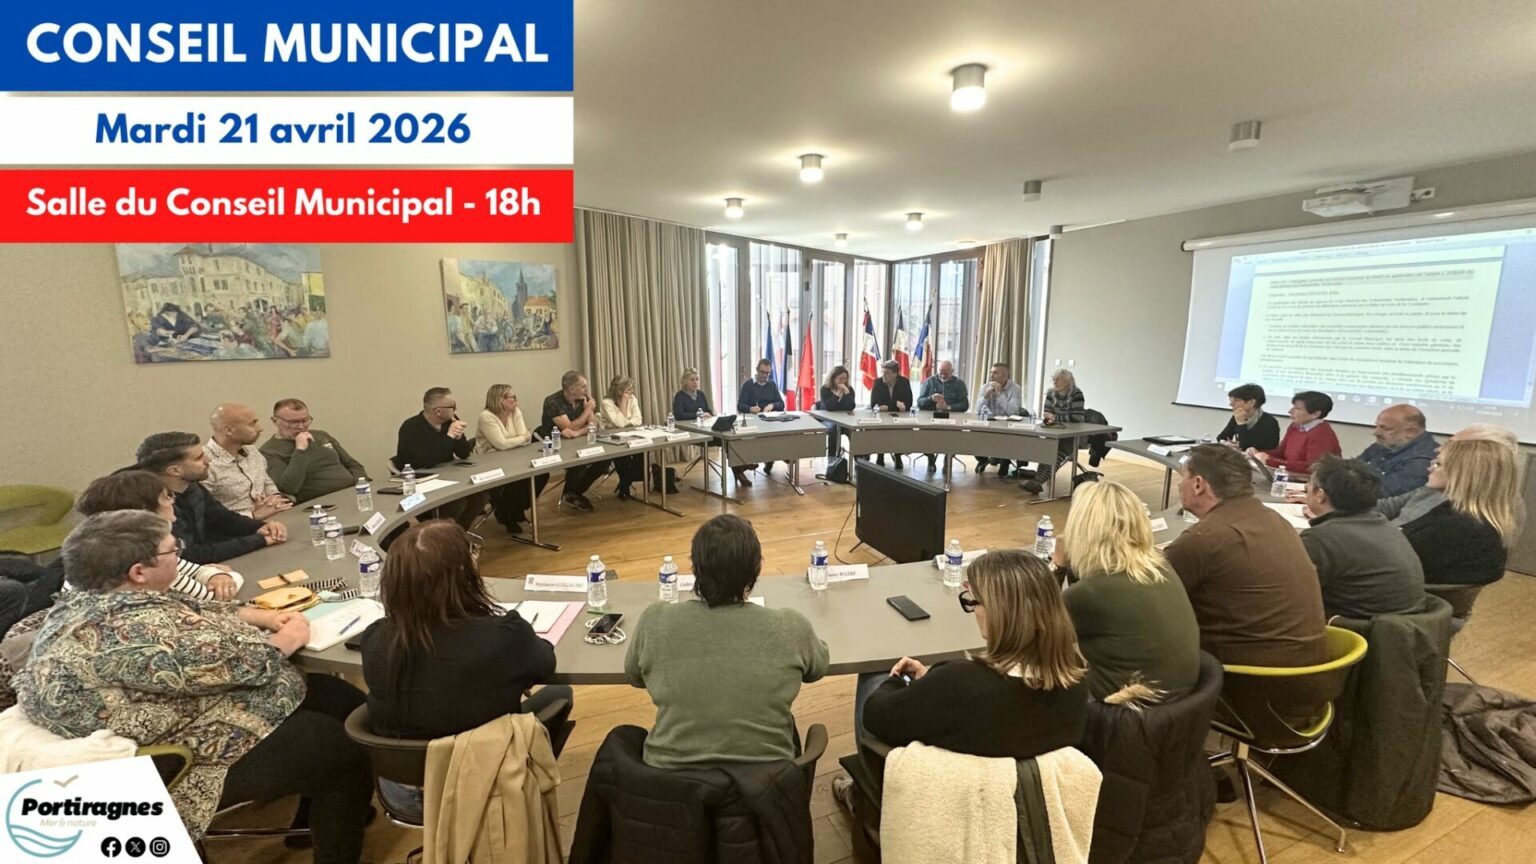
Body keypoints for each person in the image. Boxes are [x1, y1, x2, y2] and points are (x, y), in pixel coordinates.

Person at [14, 511, 373, 858]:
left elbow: (190, 607)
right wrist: (287, 639)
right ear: (138, 572)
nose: (179, 555)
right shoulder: (140, 632)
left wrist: (257, 615)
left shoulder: (88, 601)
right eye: (173, 550)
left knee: (338, 697)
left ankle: (321, 817)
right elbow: (249, 663)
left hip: (171, 717)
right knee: (338, 748)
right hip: (167, 761)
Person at [624, 514, 828, 768]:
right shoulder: (791, 626)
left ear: (695, 568)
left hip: (671, 783)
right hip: (765, 783)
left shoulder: (655, 620)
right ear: (756, 570)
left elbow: (634, 676)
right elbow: (818, 668)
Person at [359, 522, 574, 754]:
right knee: (559, 693)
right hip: (487, 770)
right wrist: (513, 676)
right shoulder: (505, 636)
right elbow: (545, 663)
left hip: (400, 773)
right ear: (463, 573)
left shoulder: (374, 640)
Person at [858, 550, 1088, 757]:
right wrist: (931, 684)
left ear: (998, 613)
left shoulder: (958, 682)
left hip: (946, 786)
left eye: (974, 602)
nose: (973, 611)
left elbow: (876, 716)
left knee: (874, 673)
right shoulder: (1076, 681)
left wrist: (897, 682)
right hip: (1030, 788)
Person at [1164, 444, 1327, 668]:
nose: (1179, 485)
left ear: (1198, 484)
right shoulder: (1275, 520)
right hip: (1310, 669)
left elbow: (1148, 597)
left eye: (1183, 477)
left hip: (1246, 676)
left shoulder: (1206, 538)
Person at [1058, 481, 1201, 703]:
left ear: (1080, 530)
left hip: (1124, 710)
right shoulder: (1160, 566)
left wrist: (1058, 566)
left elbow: (1029, 632)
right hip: (1180, 703)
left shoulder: (1091, 593)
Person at [76, 470, 243, 601]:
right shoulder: (146, 558)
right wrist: (228, 575)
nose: (173, 501)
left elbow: (195, 570)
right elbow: (213, 599)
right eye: (166, 497)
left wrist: (215, 574)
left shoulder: (118, 545)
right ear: (145, 512)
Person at [1298, 456, 1425, 618]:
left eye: (1309, 485)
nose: (1306, 489)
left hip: (1353, 627)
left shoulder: (1320, 538)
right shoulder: (1384, 526)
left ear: (1320, 495)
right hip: (1404, 626)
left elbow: (1290, 590)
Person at [136, 431, 286, 564]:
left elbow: (223, 518)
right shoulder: (156, 506)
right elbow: (192, 555)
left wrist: (260, 527)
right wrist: (259, 540)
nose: (208, 460)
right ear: (175, 470)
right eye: (199, 458)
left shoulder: (191, 485)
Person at [1397, 439, 1519, 586]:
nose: (1430, 468)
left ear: (1463, 474)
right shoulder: (1468, 517)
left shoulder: (1458, 527)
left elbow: (1393, 561)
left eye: (1438, 464)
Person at [392, 387, 486, 530]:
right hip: (422, 480)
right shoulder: (411, 428)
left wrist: (459, 437)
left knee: (481, 496)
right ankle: (441, 534)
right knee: (457, 503)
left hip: (448, 476)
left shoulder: (450, 422)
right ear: (438, 411)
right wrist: (449, 436)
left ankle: (459, 532)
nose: (455, 409)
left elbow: (464, 453)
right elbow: (426, 461)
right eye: (452, 406)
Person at [261, 398, 370, 504]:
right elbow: (289, 488)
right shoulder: (269, 451)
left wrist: (360, 486)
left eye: (305, 420)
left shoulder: (321, 436)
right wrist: (300, 450)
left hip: (353, 492)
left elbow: (353, 465)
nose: (301, 427)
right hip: (319, 503)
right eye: (293, 422)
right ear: (275, 421)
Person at [536, 371, 614, 512]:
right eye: (583, 386)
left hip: (578, 441)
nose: (586, 390)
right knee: (578, 463)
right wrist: (588, 410)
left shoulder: (583, 399)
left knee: (604, 461)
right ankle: (572, 493)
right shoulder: (553, 402)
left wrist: (578, 432)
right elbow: (569, 427)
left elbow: (593, 425)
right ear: (572, 389)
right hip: (555, 444)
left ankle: (574, 491)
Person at [203, 403, 292, 519]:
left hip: (272, 519)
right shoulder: (204, 463)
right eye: (252, 424)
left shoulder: (251, 451)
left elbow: (267, 483)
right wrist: (253, 515)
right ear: (228, 430)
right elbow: (204, 514)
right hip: (236, 526)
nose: (259, 429)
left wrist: (274, 499)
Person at [475, 384, 543, 534]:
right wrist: (522, 438)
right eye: (512, 397)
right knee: (515, 481)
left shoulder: (515, 412)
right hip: (489, 462)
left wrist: (520, 439)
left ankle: (517, 508)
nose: (516, 400)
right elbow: (502, 444)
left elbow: (525, 440)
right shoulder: (486, 417)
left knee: (541, 474)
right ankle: (506, 515)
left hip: (514, 457)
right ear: (500, 400)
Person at [1020, 368, 1086, 495]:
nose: (1054, 382)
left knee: (1057, 453)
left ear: (1067, 381)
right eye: (1053, 379)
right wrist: (1054, 418)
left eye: (1058, 379)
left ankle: (1038, 482)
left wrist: (1055, 417)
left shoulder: (1076, 394)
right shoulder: (1051, 393)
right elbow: (1046, 415)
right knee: (1047, 451)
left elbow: (1077, 418)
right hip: (1054, 431)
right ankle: (1037, 482)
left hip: (1071, 435)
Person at [1253, 391, 1341, 476]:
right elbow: (1281, 453)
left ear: (1315, 414)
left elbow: (1311, 468)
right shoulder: (1295, 426)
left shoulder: (1321, 434)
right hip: (1292, 477)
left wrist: (1270, 461)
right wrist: (1257, 453)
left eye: (1297, 409)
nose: (1290, 411)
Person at [1358, 405, 1437, 497]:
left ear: (1411, 432)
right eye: (1377, 426)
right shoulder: (1383, 444)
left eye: (1385, 428)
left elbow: (1380, 494)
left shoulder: (1422, 462)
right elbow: (1350, 470)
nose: (1376, 433)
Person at [736, 358, 786, 479]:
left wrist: (772, 405)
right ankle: (752, 461)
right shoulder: (748, 385)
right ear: (757, 370)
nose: (764, 375)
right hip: (753, 421)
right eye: (762, 372)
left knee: (779, 435)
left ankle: (773, 458)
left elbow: (781, 404)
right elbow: (740, 406)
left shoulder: (772, 385)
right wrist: (750, 409)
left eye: (767, 373)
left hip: (769, 421)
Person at [916, 360, 970, 472]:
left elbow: (965, 405)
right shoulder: (930, 381)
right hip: (931, 417)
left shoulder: (959, 384)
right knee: (924, 434)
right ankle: (930, 458)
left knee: (954, 436)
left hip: (951, 417)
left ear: (952, 371)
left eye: (946, 373)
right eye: (941, 373)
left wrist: (948, 407)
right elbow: (920, 403)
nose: (943, 376)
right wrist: (931, 399)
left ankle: (948, 458)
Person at [599, 375, 646, 500]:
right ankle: (625, 486)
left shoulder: (633, 399)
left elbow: (638, 420)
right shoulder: (606, 403)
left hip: (632, 434)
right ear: (620, 391)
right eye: (629, 389)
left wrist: (625, 422)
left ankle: (625, 483)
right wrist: (624, 404)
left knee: (641, 453)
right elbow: (621, 424)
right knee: (622, 456)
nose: (632, 392)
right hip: (612, 438)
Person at [975, 361, 1024, 477]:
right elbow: (978, 410)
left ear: (1005, 376)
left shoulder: (1015, 389)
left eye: (995, 373)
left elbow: (1012, 411)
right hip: (989, 423)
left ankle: (1005, 461)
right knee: (974, 435)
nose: (991, 376)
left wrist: (1000, 394)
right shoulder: (985, 387)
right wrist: (986, 396)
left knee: (1006, 438)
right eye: (991, 372)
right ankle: (983, 460)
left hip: (1007, 425)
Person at [869, 360, 913, 470]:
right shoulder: (878, 383)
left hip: (899, 417)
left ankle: (898, 456)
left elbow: (908, 403)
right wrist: (896, 403)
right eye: (882, 372)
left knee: (898, 432)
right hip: (881, 418)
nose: (883, 375)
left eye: (887, 373)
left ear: (895, 373)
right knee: (881, 431)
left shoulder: (904, 382)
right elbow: (875, 404)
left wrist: (888, 406)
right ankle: (880, 456)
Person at [1215, 383, 1280, 451]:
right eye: (1231, 400)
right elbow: (1222, 437)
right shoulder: (1237, 416)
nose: (1231, 404)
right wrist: (1225, 443)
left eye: (1236, 400)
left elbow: (1246, 446)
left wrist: (1241, 423)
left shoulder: (1270, 422)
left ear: (1251, 402)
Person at [818, 365, 856, 459]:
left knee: (853, 429)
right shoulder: (825, 389)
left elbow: (851, 406)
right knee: (833, 427)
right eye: (840, 379)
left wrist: (846, 392)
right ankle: (832, 458)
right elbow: (829, 407)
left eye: (845, 379)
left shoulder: (849, 389)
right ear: (833, 378)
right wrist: (837, 394)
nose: (843, 381)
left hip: (843, 420)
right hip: (827, 419)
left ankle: (858, 457)